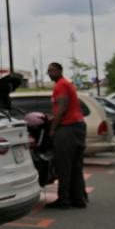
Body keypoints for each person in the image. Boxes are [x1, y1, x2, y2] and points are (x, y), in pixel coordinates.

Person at [44, 62, 88, 208]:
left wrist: (52, 128)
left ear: (60, 70)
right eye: (48, 71)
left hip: (68, 129)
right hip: (78, 127)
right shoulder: (67, 84)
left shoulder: (60, 85)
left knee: (64, 167)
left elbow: (62, 108)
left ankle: (64, 200)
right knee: (76, 167)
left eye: (52, 70)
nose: (50, 73)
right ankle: (78, 199)